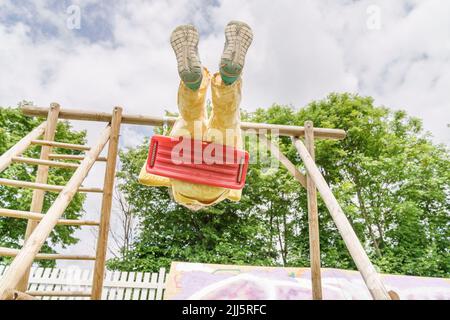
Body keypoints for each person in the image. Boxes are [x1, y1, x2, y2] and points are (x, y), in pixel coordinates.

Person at [139, 21, 253, 211]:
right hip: (181, 165)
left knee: (227, 120)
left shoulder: (228, 195)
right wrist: (170, 179)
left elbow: (236, 192)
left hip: (220, 179)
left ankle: (228, 81)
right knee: (189, 117)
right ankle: (192, 85)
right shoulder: (173, 185)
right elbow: (144, 177)